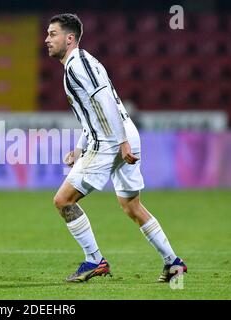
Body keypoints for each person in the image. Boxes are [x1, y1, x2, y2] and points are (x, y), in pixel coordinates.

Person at [45, 13, 187, 283]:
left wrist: (120, 142)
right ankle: (173, 263)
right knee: (131, 205)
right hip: (122, 134)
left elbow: (106, 101)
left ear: (70, 38)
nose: (47, 39)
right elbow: (93, 113)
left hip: (111, 140)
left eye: (53, 34)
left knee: (63, 201)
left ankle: (94, 260)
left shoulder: (77, 65)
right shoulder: (81, 63)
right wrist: (79, 149)